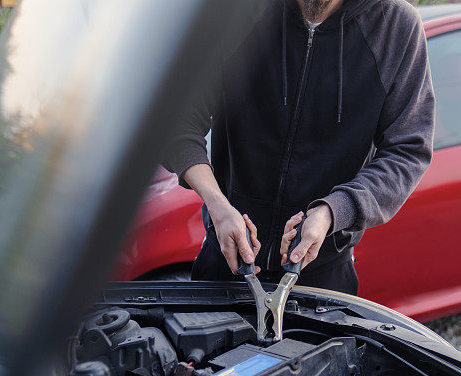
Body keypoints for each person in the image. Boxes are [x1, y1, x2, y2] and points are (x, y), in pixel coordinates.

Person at [163, 0, 434, 295]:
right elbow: (175, 121)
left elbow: (407, 151)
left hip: (323, 272)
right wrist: (217, 204)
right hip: (225, 260)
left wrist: (333, 211)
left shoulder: (395, 26)